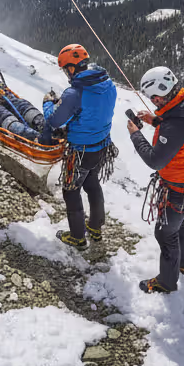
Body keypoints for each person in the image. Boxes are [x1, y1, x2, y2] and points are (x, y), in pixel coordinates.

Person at [127, 65, 184, 294]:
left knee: (165, 233)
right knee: (183, 222)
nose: (153, 102)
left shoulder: (174, 123)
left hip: (177, 189)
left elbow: (155, 160)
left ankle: (166, 282)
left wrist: (135, 134)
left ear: (161, 93)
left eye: (154, 98)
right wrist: (155, 121)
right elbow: (180, 131)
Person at [42, 44, 117, 249]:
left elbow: (54, 120)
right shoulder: (108, 83)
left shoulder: (75, 93)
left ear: (72, 68)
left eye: (66, 69)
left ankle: (77, 237)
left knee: (71, 191)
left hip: (81, 151)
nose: (67, 73)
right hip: (101, 146)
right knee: (92, 184)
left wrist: (48, 103)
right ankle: (95, 227)